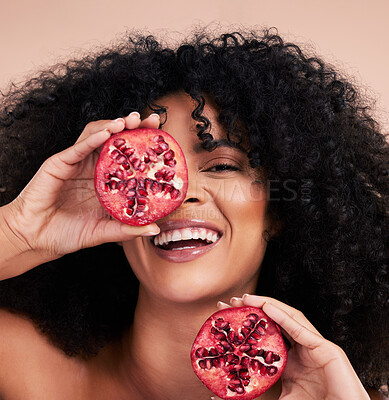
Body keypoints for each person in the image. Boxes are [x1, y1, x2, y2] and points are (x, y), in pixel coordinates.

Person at [0, 28, 387, 400]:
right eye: (148, 172)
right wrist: (18, 234)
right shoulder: (19, 368)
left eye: (221, 166)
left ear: (280, 210)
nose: (179, 194)